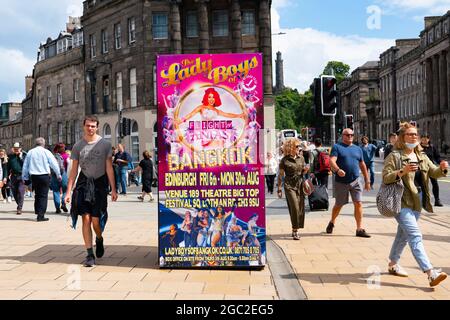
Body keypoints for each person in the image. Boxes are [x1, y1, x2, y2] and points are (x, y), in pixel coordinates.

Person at [383, 122, 448, 287]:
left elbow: (433, 172)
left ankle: (392, 264)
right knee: (415, 235)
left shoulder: (422, 155)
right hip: (401, 200)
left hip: (417, 200)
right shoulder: (395, 156)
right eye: (410, 134)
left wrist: (442, 168)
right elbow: (385, 177)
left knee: (402, 235)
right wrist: (402, 172)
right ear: (402, 138)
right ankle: (430, 272)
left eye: (415, 134)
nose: (414, 137)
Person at [65, 116, 118, 267]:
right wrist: (68, 192)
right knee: (86, 219)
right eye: (88, 126)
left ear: (97, 127)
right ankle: (89, 254)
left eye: (93, 126)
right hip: (83, 184)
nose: (90, 128)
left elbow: (109, 167)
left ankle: (99, 239)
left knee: (96, 221)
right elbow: (74, 171)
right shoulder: (77, 146)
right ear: (83, 127)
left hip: (100, 185)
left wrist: (113, 189)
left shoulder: (105, 144)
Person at [326, 128, 371, 238]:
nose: (350, 136)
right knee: (339, 205)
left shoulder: (357, 149)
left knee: (358, 203)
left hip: (355, 181)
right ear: (343, 136)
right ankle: (332, 222)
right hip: (341, 182)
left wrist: (367, 180)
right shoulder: (337, 147)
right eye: (347, 135)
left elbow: (362, 164)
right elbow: (332, 161)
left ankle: (359, 229)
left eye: (352, 135)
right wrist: (337, 170)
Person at [22, 138, 61, 221]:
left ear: (35, 144)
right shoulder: (46, 152)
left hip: (34, 176)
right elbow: (54, 164)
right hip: (44, 176)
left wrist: (24, 177)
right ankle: (41, 215)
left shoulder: (30, 152)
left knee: (37, 194)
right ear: (44, 144)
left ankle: (37, 211)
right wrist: (58, 174)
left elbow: (25, 166)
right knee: (43, 195)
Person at [277, 138, 308, 240]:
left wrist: (305, 171)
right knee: (294, 206)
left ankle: (295, 228)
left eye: (299, 146)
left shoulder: (301, 158)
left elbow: (303, 172)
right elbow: (281, 175)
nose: (299, 148)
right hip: (289, 185)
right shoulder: (284, 160)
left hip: (299, 184)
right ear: (291, 148)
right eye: (297, 146)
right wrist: (279, 188)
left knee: (300, 208)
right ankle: (295, 230)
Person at [420, 134, 443, 207]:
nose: (424, 141)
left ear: (428, 139)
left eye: (426, 139)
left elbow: (437, 157)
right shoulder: (418, 147)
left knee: (435, 184)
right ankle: (424, 201)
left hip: (432, 168)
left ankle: (437, 200)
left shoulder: (432, 147)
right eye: (423, 139)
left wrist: (441, 163)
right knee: (424, 185)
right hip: (422, 168)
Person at [50, 143, 69, 214]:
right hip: (63, 174)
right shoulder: (66, 156)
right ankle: (63, 203)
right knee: (65, 190)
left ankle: (57, 208)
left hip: (54, 175)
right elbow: (69, 164)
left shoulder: (52, 156)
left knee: (56, 191)